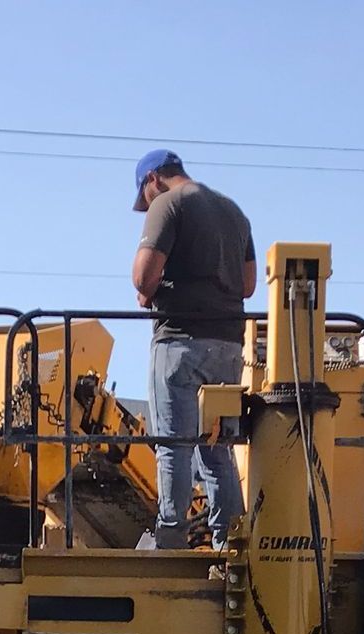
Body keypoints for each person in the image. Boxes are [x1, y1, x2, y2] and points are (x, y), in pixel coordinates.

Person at [131, 149, 256, 549]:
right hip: (228, 346)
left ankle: (171, 538)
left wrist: (147, 290)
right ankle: (228, 540)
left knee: (174, 445)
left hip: (179, 340)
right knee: (217, 448)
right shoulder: (234, 212)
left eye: (144, 196)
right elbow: (248, 285)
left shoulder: (168, 204)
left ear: (153, 179)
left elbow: (143, 276)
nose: (146, 204)